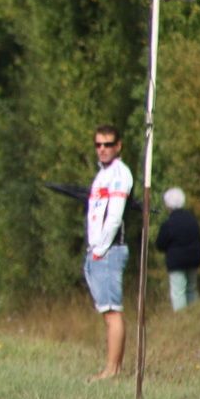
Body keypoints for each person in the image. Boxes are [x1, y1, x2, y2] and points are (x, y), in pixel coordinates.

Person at [84, 125, 133, 382]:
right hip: (97, 250)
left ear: (118, 146)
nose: (102, 149)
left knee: (112, 311)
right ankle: (110, 368)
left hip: (109, 250)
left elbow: (114, 216)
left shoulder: (119, 174)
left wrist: (101, 250)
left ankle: (112, 370)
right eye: (98, 144)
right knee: (106, 311)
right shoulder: (102, 174)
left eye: (108, 144)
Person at [153, 187, 200, 310]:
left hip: (177, 262)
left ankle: (181, 319)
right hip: (194, 258)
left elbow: (160, 244)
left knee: (178, 291)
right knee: (192, 288)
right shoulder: (192, 220)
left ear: (168, 205)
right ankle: (195, 315)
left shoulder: (169, 223)